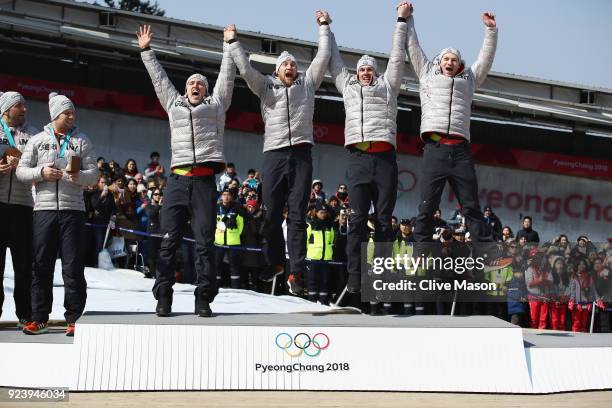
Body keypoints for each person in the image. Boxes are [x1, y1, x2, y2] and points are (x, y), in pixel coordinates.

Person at [227, 12, 332, 294]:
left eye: (293, 64)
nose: (289, 67)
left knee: (297, 215)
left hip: (301, 154)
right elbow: (246, 71)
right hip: (273, 154)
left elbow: (322, 57)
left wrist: (324, 27)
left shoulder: (307, 84)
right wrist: (234, 43)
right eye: (284, 64)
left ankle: (296, 273)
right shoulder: (265, 86)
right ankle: (274, 262)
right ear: (276, 71)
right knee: (272, 214)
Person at [137, 23, 236, 317]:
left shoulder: (217, 105)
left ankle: (203, 298)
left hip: (205, 184)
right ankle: (163, 296)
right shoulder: (173, 104)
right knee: (168, 243)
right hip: (177, 183)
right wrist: (146, 51)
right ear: (185, 90)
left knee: (205, 244)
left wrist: (229, 45)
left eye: (200, 84)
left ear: (206, 91)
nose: (195, 86)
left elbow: (227, 77)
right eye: (191, 83)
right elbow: (159, 79)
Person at [328, 3, 409, 293]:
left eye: (369, 69)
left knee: (384, 221)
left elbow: (398, 57)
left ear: (375, 72)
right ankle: (354, 276)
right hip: (359, 159)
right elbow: (335, 62)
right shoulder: (348, 87)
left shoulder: (389, 85)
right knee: (358, 220)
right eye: (361, 69)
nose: (365, 72)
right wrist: (326, 28)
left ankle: (383, 276)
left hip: (385, 160)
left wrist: (401, 20)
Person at [406, 3, 498, 248]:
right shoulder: (427, 73)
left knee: (471, 206)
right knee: (427, 205)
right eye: (446, 58)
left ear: (460, 64)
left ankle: (487, 251)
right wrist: (408, 18)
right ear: (439, 61)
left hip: (460, 152)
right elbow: (413, 47)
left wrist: (490, 31)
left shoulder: (469, 79)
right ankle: (421, 248)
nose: (449, 62)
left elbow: (485, 60)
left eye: (454, 60)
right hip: (435, 149)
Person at [17, 92, 97, 336]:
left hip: (73, 210)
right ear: (55, 115)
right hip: (44, 209)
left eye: (73, 112)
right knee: (41, 264)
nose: (72, 116)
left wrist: (78, 177)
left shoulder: (82, 140)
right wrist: (42, 172)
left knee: (73, 266)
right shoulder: (38, 140)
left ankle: (74, 318)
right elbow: (22, 171)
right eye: (67, 113)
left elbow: (94, 174)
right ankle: (39, 317)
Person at [0, 91, 38, 328]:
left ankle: (25, 314)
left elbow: (41, 164)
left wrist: (22, 160)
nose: (24, 110)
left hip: (24, 207)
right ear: (6, 110)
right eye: (19, 106)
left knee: (24, 265)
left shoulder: (33, 134)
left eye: (25, 106)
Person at [306, 201, 335, 305]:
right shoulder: (310, 225)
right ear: (316, 213)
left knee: (325, 281)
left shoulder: (329, 226)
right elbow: (305, 240)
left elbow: (331, 240)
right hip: (313, 258)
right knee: (312, 281)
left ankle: (323, 301)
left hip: (326, 258)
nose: (323, 214)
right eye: (321, 212)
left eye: (325, 212)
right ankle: (312, 301)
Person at [214, 188, 244, 289]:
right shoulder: (217, 207)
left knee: (234, 267)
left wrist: (235, 234)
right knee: (217, 265)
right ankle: (216, 286)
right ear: (221, 196)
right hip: (219, 241)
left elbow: (241, 224)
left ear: (231, 197)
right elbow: (213, 223)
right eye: (224, 194)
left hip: (233, 242)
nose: (226, 196)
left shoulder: (236, 207)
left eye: (228, 195)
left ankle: (236, 288)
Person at [89, 176, 116, 264]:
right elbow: (95, 205)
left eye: (105, 183)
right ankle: (95, 263)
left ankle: (103, 263)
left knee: (106, 244)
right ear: (98, 183)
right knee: (99, 243)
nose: (104, 184)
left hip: (107, 223)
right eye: (102, 182)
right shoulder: (95, 194)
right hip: (97, 223)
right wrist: (101, 196)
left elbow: (113, 208)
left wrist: (113, 216)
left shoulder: (110, 195)